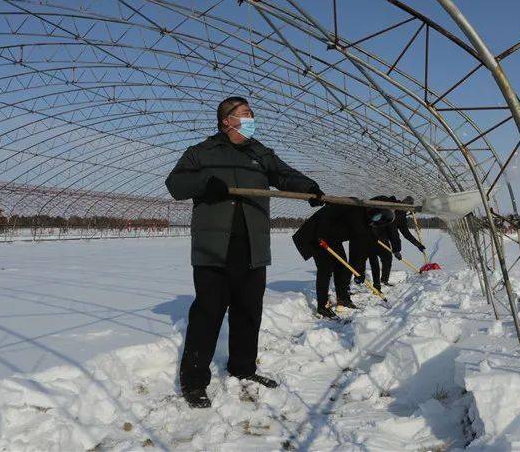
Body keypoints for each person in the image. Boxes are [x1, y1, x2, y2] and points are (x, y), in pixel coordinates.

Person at [165, 96, 324, 409]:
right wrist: (205, 183)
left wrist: (309, 188)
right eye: (245, 114)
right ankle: (194, 381)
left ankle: (243, 368)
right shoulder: (202, 152)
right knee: (208, 314)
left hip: (252, 246)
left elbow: (285, 175)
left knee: (248, 312)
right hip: (214, 249)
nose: (251, 119)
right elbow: (175, 183)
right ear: (226, 120)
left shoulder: (259, 153)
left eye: (251, 114)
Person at [292, 203, 395, 319]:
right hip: (315, 235)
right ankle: (322, 306)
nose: (374, 220)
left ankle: (343, 298)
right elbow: (328, 211)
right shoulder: (354, 207)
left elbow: (360, 251)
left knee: (342, 266)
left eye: (377, 221)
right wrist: (320, 234)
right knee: (325, 269)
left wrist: (358, 271)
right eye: (376, 217)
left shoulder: (366, 225)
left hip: (332, 238)